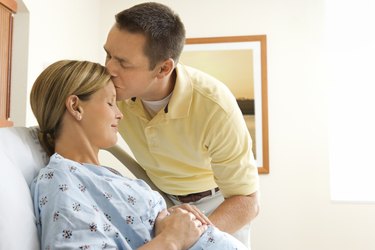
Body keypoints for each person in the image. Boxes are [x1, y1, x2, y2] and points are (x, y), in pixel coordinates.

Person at [29, 60, 247, 249]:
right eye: (110, 102)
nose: (120, 113)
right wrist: (172, 239)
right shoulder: (60, 180)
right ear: (76, 107)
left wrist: (172, 219)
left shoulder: (98, 175)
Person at [103, 2, 260, 248]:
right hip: (159, 199)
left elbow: (247, 202)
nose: (108, 68)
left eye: (123, 63)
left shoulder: (215, 105)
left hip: (218, 203)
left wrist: (193, 236)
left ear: (164, 68)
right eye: (108, 54)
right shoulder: (110, 90)